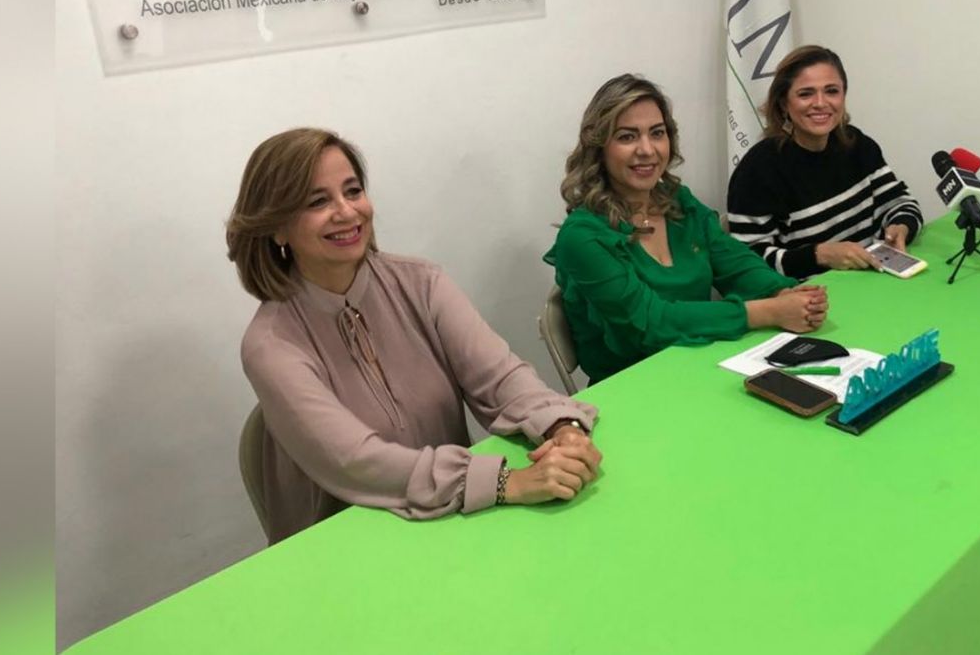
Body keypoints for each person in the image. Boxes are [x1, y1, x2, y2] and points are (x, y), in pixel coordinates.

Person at [227, 128, 602, 544]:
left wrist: (562, 427)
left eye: (353, 191)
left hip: (453, 519)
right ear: (277, 228)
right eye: (317, 202)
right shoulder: (269, 345)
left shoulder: (421, 283)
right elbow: (355, 460)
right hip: (347, 542)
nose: (347, 212)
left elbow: (499, 378)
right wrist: (504, 482)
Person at [544, 75, 829, 385]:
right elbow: (649, 324)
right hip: (632, 390)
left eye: (657, 133)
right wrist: (769, 312)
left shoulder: (678, 202)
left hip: (703, 366)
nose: (647, 149)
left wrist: (782, 292)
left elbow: (735, 263)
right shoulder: (581, 237)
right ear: (599, 147)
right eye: (627, 137)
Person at [726, 45, 923, 280]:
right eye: (805, 94)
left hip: (873, 282)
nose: (820, 103)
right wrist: (819, 255)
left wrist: (901, 226)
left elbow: (901, 203)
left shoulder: (858, 145)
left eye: (831, 91)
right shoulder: (757, 171)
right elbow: (747, 265)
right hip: (807, 296)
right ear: (783, 103)